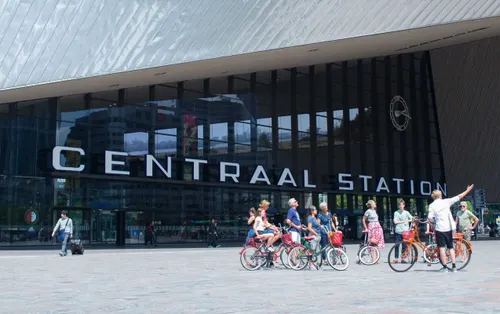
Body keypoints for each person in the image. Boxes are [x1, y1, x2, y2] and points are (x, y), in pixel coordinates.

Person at [428, 184, 474, 273]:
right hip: (448, 228)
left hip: (439, 228)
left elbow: (430, 218)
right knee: (450, 247)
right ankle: (454, 267)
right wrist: (468, 190)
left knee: (441, 247)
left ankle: (445, 267)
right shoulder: (446, 202)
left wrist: (432, 223)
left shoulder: (432, 205)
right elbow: (459, 196)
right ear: (440, 195)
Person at [307, 206, 322, 270]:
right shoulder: (310, 218)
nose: (316, 210)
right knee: (312, 249)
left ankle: (314, 263)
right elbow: (309, 228)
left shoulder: (314, 218)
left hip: (317, 235)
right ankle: (310, 265)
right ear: (312, 211)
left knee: (315, 250)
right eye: (315, 209)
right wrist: (315, 233)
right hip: (313, 235)